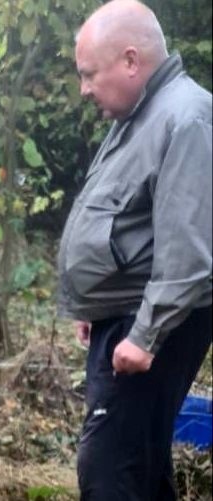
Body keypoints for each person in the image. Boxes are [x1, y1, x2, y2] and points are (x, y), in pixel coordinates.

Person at [57, 1, 212, 499]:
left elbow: (188, 250)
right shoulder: (141, 112)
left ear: (129, 60)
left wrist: (145, 335)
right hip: (124, 313)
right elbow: (126, 222)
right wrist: (95, 301)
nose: (84, 89)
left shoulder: (185, 118)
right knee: (139, 464)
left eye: (89, 74)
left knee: (108, 469)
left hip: (151, 322)